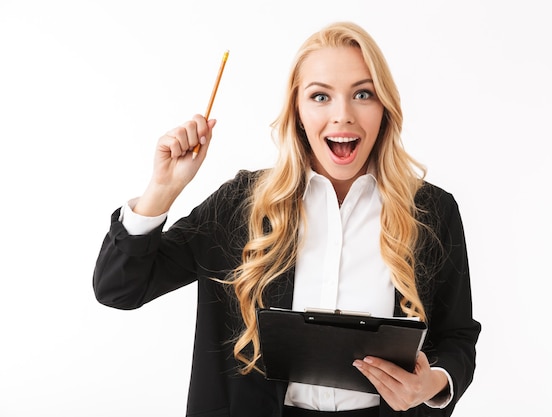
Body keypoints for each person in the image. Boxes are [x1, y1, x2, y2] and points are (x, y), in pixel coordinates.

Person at [93, 21, 481, 417]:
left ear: (384, 107)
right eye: (320, 97)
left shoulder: (432, 211)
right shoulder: (240, 203)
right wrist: (163, 188)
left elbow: (457, 336)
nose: (342, 115)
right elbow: (119, 288)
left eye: (362, 94)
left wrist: (432, 382)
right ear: (297, 110)